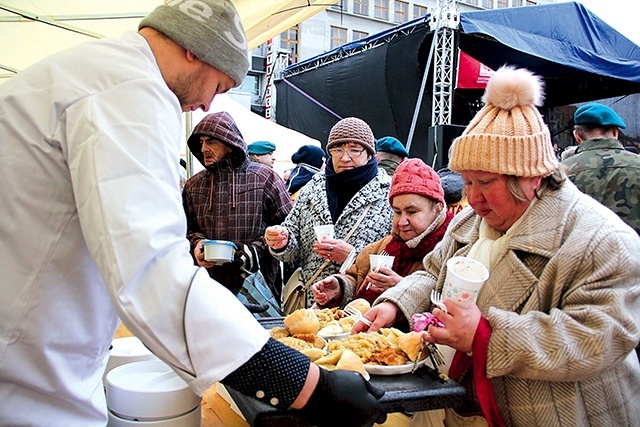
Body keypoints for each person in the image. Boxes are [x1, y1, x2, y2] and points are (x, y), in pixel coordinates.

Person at [0, 1, 387, 425]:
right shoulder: (128, 89)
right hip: (25, 374)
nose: (206, 105)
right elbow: (152, 273)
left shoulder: (94, 73)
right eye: (218, 86)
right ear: (193, 50)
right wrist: (309, 387)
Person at [355, 66, 640, 426]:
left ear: (531, 177)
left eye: (485, 182)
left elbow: (598, 338)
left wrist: (486, 335)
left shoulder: (601, 240)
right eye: (467, 182)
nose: (472, 198)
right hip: (458, 404)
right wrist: (397, 304)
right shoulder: (471, 221)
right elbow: (432, 273)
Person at [265, 117, 394, 308]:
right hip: (312, 306)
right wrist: (281, 241)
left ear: (370, 154)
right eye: (337, 149)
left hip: (362, 309)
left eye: (354, 150)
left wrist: (354, 257)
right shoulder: (312, 189)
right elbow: (293, 250)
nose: (345, 157)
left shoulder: (389, 193)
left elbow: (397, 257)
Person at [311, 158, 453, 308]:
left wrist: (403, 290)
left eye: (412, 212)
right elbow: (355, 277)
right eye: (397, 212)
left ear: (438, 208)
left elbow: (451, 305)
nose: (402, 222)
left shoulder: (452, 250)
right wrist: (339, 288)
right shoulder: (384, 246)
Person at [182, 111, 292, 301]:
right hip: (206, 288)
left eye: (211, 141)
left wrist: (253, 252)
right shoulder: (194, 185)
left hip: (259, 286)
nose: (204, 148)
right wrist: (197, 244)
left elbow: (288, 226)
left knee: (260, 332)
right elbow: (184, 228)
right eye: (201, 143)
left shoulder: (265, 178)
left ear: (230, 143)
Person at [562, 102, 640, 235]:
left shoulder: (562, 172)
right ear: (615, 132)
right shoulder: (637, 164)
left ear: (577, 136)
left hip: (581, 253)